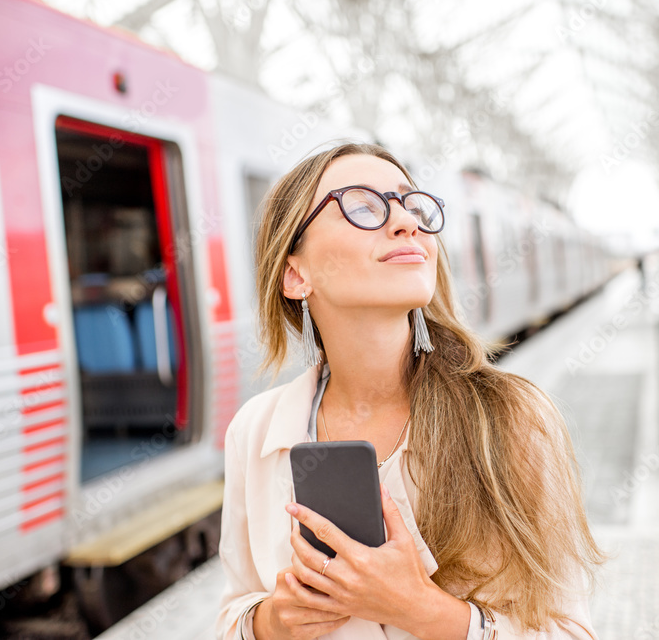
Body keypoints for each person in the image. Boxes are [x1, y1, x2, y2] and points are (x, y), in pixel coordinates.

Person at [217, 143, 604, 640]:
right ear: (296, 274)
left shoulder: (511, 418)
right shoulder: (255, 431)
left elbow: (571, 632)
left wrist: (421, 610)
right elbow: (232, 615)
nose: (405, 222)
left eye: (412, 204)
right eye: (361, 206)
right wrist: (274, 621)